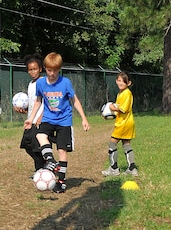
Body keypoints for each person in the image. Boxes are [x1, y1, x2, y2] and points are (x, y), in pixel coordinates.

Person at [24, 52, 90, 193]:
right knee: (40, 135)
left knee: (62, 150)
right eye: (49, 70)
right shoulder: (41, 83)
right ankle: (51, 161)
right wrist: (31, 118)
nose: (52, 73)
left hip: (64, 120)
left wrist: (84, 118)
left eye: (55, 70)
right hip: (48, 118)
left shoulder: (65, 83)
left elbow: (75, 100)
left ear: (59, 69)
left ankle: (61, 181)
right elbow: (38, 101)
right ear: (45, 68)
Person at [101, 71, 138, 177]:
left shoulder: (127, 93)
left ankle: (114, 169)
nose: (120, 83)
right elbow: (118, 111)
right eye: (118, 80)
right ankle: (132, 168)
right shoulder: (120, 93)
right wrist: (108, 114)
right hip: (126, 122)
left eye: (123, 81)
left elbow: (123, 109)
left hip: (124, 124)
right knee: (126, 144)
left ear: (129, 83)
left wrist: (112, 107)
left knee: (112, 144)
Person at [16, 54, 45, 173]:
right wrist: (25, 111)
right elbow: (33, 104)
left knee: (36, 148)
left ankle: (40, 170)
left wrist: (41, 117)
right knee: (27, 146)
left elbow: (46, 101)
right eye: (30, 69)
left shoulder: (43, 82)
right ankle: (44, 165)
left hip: (39, 121)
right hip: (30, 121)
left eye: (35, 69)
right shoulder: (31, 84)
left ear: (40, 69)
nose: (32, 72)